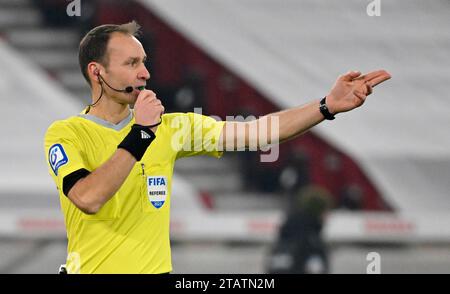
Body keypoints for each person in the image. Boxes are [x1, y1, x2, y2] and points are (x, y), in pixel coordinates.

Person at [44, 21, 391, 274]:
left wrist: (325, 106)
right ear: (97, 72)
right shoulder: (67, 134)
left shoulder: (173, 128)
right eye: (131, 64)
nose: (145, 73)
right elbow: (88, 198)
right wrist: (142, 133)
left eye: (145, 62)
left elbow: (257, 132)